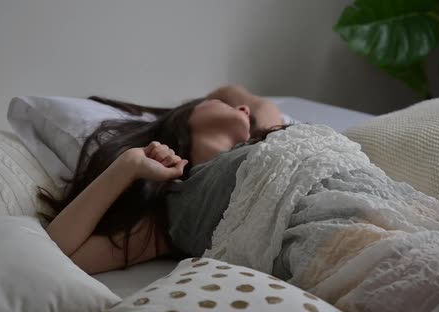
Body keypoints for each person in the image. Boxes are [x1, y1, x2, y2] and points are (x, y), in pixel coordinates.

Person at [39, 85, 284, 274]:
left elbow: (244, 96)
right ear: (182, 117)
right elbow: (52, 256)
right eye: (222, 104)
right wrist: (128, 165)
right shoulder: (179, 213)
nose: (244, 109)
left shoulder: (273, 139)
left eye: (247, 111)